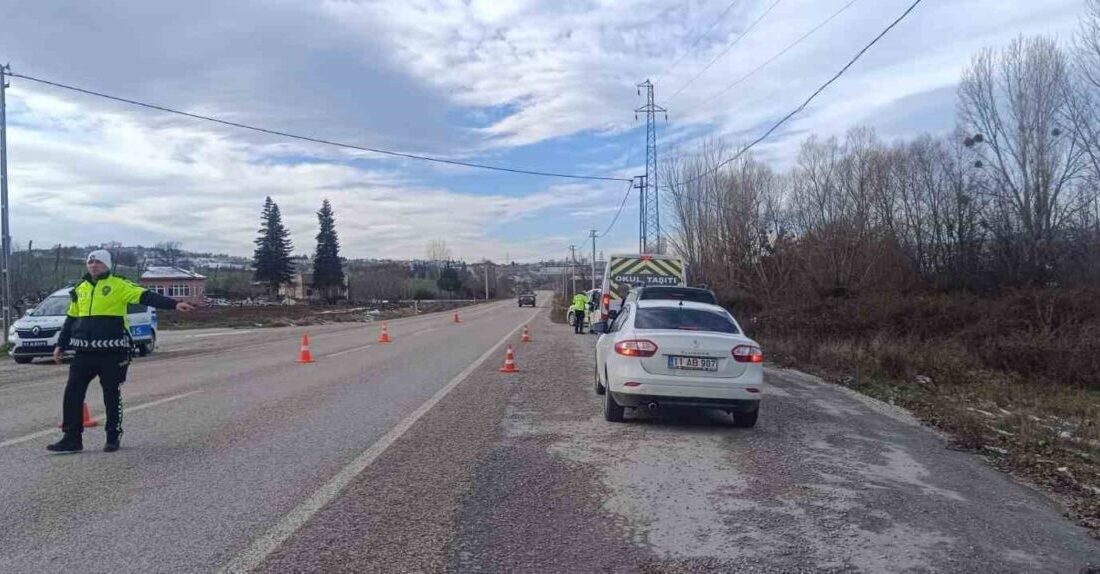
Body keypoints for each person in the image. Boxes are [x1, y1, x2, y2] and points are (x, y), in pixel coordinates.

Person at [47, 250, 195, 453]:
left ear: (107, 265)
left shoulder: (119, 285)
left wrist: (174, 304)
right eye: (90, 262)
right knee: (72, 392)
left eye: (98, 262)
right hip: (84, 352)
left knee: (111, 394)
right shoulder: (80, 289)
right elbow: (71, 319)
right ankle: (71, 438)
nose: (93, 265)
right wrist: (61, 345)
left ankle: (112, 436)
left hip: (112, 351)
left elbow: (146, 296)